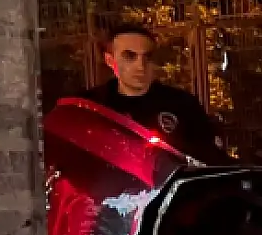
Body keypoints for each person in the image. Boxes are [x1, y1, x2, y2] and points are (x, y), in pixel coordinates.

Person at [87, 23, 231, 163]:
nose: (140, 66)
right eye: (130, 56)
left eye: (147, 57)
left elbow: (211, 161)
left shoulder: (182, 105)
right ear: (110, 60)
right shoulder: (91, 106)